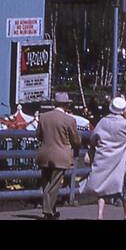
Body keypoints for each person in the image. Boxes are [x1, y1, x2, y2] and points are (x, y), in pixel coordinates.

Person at [81, 96, 126, 220]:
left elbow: (93, 137)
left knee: (101, 186)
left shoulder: (103, 121)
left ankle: (100, 214)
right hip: (119, 159)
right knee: (123, 185)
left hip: (103, 157)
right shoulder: (125, 124)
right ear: (123, 110)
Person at [36, 92, 81, 220]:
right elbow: (76, 140)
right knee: (55, 184)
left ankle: (50, 210)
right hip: (61, 155)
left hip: (44, 154)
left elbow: (38, 135)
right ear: (66, 105)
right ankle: (48, 211)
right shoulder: (70, 120)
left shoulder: (43, 117)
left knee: (46, 183)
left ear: (54, 103)